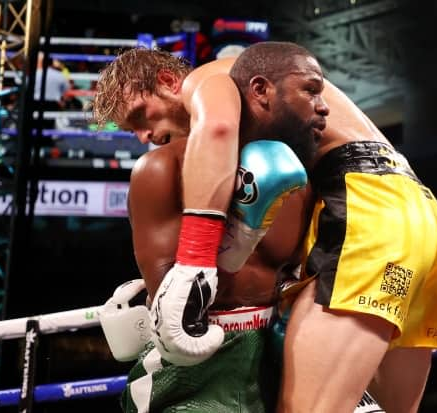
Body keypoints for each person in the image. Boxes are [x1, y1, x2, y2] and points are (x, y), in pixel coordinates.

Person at [228, 42, 437, 412]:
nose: (146, 136)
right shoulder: (291, 118)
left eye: (141, 118)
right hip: (417, 211)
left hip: (368, 210)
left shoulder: (213, 86)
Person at [92, 47, 317, 412]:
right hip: (210, 361)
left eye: (139, 117)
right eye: (132, 131)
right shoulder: (161, 169)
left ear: (168, 82)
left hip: (270, 355)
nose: (144, 136)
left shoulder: (293, 173)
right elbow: (170, 295)